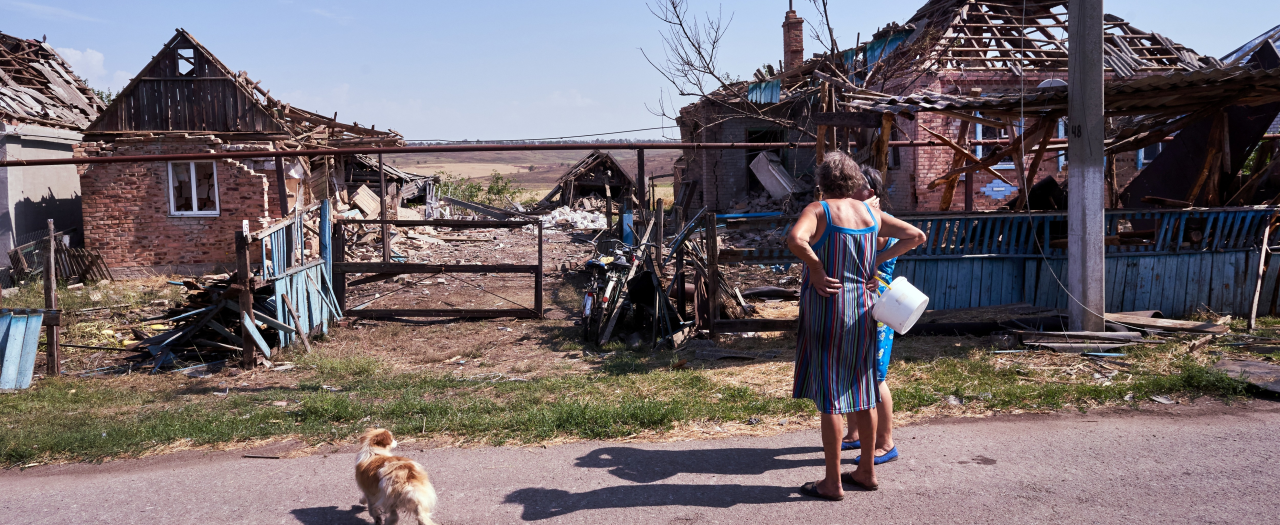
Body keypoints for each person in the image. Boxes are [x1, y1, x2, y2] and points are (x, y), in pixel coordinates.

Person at [786, 152, 925, 500]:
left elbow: (795, 240)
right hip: (863, 310)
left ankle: (832, 482)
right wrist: (875, 260)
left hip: (827, 308)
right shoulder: (870, 214)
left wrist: (816, 270)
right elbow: (916, 236)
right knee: (864, 392)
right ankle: (866, 471)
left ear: (822, 182)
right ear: (853, 182)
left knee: (831, 398)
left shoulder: (818, 211)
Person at [841, 167, 901, 466]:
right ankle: (854, 433)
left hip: (876, 307)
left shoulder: (875, 220)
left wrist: (877, 260)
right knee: (854, 372)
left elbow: (914, 237)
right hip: (859, 305)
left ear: (871, 192)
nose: (848, 193)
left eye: (855, 187)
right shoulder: (863, 216)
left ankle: (886, 443)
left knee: (875, 377)